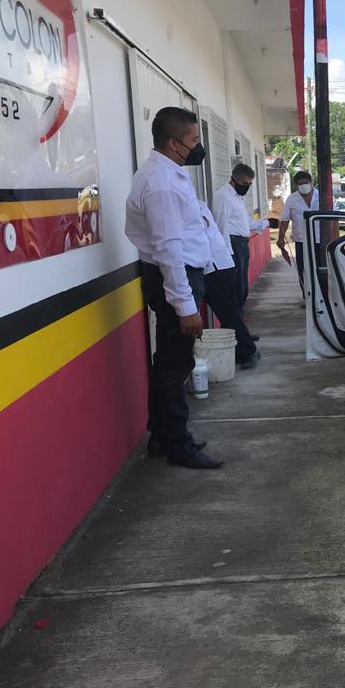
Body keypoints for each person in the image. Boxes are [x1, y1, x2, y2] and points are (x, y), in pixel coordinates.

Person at [125, 106, 223, 470]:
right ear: (173, 143)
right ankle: (178, 445)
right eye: (194, 141)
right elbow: (168, 247)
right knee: (174, 363)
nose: (198, 147)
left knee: (169, 360)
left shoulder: (166, 173)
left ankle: (162, 435)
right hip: (175, 279)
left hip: (179, 276)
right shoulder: (161, 183)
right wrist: (185, 306)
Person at [200, 201, 262, 370]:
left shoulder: (196, 209)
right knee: (230, 313)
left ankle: (248, 351)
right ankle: (241, 349)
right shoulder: (196, 206)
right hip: (214, 266)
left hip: (216, 267)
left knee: (228, 313)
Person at [212, 163, 269, 315]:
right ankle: (237, 331)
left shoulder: (237, 197)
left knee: (242, 289)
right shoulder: (223, 196)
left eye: (249, 184)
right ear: (234, 179)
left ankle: (240, 329)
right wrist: (227, 254)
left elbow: (244, 223)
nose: (247, 187)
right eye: (244, 183)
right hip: (232, 245)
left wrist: (264, 223)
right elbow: (220, 226)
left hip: (242, 244)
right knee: (236, 290)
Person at [276, 171, 318, 297]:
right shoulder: (292, 199)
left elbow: (333, 218)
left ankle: (322, 298)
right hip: (301, 242)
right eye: (301, 184)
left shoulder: (322, 196)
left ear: (311, 183)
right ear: (296, 185)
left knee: (320, 270)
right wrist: (280, 239)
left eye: (306, 183)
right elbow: (284, 220)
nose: (304, 185)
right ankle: (307, 297)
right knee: (303, 271)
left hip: (321, 241)